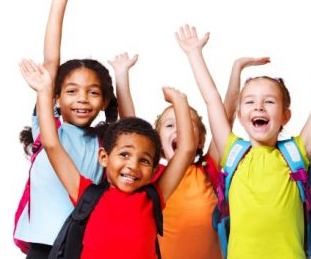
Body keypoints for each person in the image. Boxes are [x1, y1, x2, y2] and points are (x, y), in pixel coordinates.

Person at [20, 58, 197, 259]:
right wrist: (44, 91)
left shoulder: (153, 198)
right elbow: (52, 145)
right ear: (104, 157)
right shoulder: (87, 194)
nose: (133, 166)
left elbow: (186, 150)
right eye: (124, 155)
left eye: (144, 161)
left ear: (155, 170)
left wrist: (180, 101)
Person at [176, 24, 311, 259]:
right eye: (250, 102)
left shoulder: (297, 152)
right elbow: (212, 100)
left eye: (269, 102)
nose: (259, 106)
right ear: (241, 116)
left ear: (286, 115)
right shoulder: (233, 152)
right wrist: (194, 54)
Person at [110, 52, 269, 259]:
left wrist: (236, 70)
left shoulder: (207, 169)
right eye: (169, 125)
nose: (179, 130)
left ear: (201, 140)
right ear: (156, 140)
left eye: (187, 125)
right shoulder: (152, 176)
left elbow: (225, 116)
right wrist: (121, 76)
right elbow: (130, 130)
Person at [15, 0, 118, 259]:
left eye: (93, 92)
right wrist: (59, 1)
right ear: (56, 98)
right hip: (42, 245)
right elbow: (50, 63)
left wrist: (121, 80)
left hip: (84, 244)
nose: (82, 99)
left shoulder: (105, 143)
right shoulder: (49, 127)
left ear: (105, 101)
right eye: (71, 91)